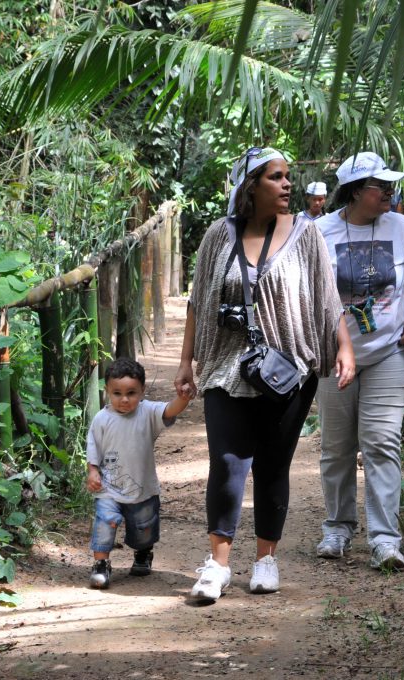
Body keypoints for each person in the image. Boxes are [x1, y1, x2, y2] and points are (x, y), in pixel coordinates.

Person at [174, 146, 355, 602]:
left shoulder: (307, 234)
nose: (287, 184)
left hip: (288, 369)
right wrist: (184, 361)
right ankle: (217, 565)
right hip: (225, 367)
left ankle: (265, 560)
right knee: (228, 463)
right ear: (250, 186)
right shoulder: (219, 234)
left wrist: (344, 348)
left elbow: (327, 297)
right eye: (276, 177)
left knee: (274, 465)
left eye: (288, 176)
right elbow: (199, 300)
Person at [313, 151, 404, 571]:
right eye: (380, 187)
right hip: (333, 357)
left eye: (390, 186)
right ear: (354, 192)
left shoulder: (401, 227)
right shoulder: (318, 232)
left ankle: (385, 539)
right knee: (336, 448)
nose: (389, 193)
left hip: (389, 352)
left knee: (382, 443)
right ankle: (337, 527)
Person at [86, 357, 193, 589]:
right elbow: (93, 448)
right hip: (109, 488)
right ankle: (101, 565)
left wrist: (182, 399)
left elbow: (170, 409)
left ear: (142, 391)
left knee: (143, 530)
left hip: (142, 488)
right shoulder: (101, 419)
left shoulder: (148, 412)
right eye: (117, 393)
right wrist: (92, 471)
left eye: (131, 393)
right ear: (107, 392)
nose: (124, 399)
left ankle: (143, 553)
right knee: (105, 521)